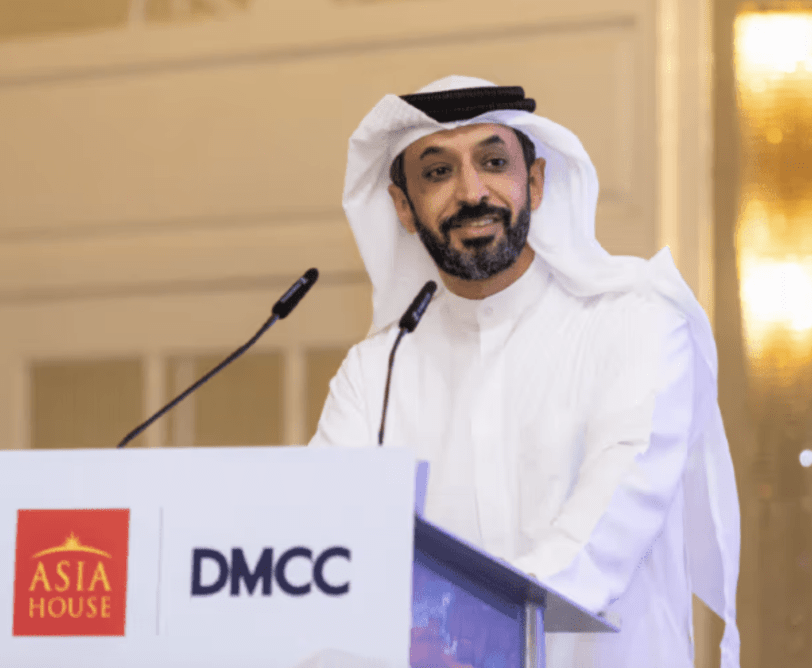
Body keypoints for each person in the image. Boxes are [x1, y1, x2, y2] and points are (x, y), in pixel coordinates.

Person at [309, 76, 740, 668]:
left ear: (534, 183)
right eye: (438, 172)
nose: (471, 192)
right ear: (403, 208)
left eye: (493, 163)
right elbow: (326, 551)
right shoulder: (374, 372)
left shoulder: (636, 324)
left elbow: (598, 544)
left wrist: (451, 626)